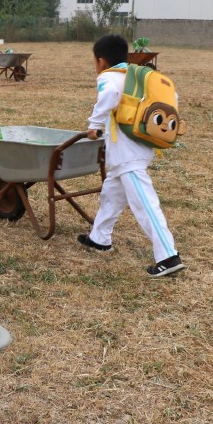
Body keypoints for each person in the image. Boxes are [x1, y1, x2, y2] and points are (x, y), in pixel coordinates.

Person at [77, 34, 185, 278]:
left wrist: (94, 125)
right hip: (135, 147)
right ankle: (100, 239)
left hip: (127, 153)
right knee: (111, 194)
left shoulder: (109, 77)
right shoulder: (138, 76)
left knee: (144, 203)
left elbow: (109, 96)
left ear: (101, 61)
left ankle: (168, 255)